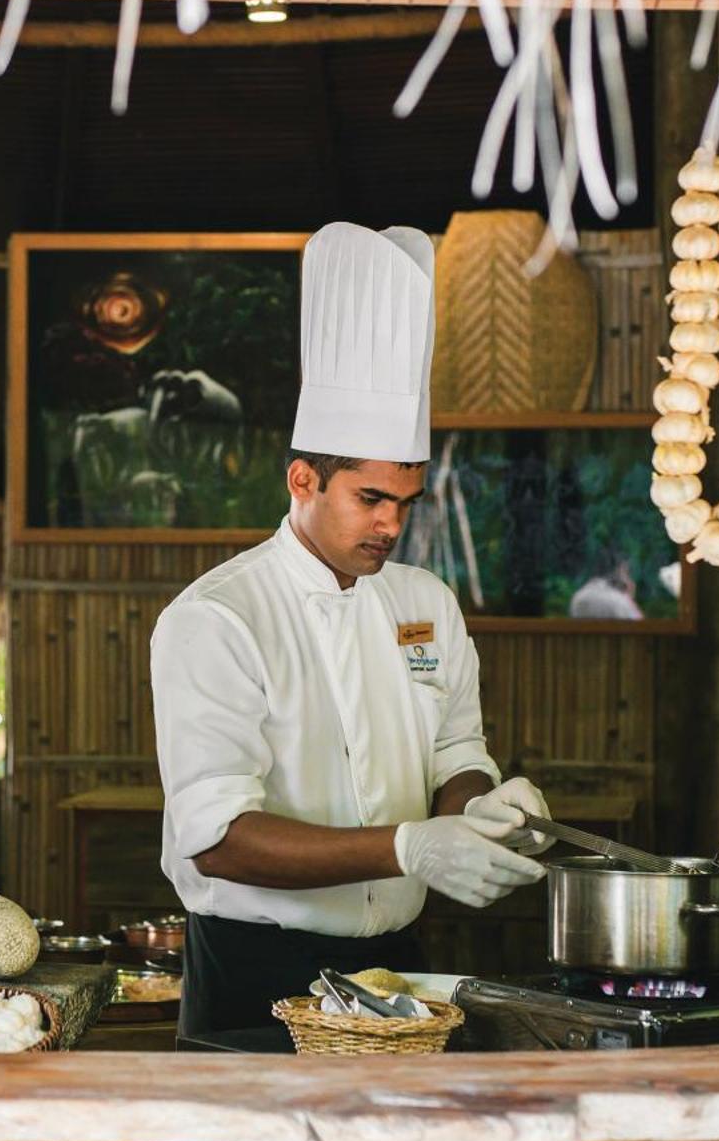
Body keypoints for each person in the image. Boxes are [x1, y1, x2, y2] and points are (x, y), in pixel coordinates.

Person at [151, 222, 553, 1038]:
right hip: (252, 971)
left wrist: (481, 807)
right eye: (369, 498)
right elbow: (219, 839)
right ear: (303, 478)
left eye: (405, 502)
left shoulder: (425, 603)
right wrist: (411, 847)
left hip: (397, 964)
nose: (391, 524)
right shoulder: (218, 618)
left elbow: (456, 754)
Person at [568, 547, 644, 620]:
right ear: (621, 570)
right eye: (627, 572)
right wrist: (629, 600)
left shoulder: (578, 597)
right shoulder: (619, 601)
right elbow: (641, 628)